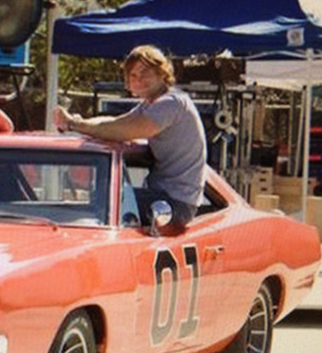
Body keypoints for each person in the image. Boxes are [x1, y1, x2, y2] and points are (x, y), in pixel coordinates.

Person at [53, 45, 207, 229]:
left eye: (145, 73)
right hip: (164, 197)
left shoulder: (170, 103)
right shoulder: (150, 104)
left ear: (161, 73)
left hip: (174, 204)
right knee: (102, 201)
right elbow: (116, 122)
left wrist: (74, 124)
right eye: (133, 75)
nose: (138, 79)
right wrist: (79, 122)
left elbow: (124, 130)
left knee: (102, 207)